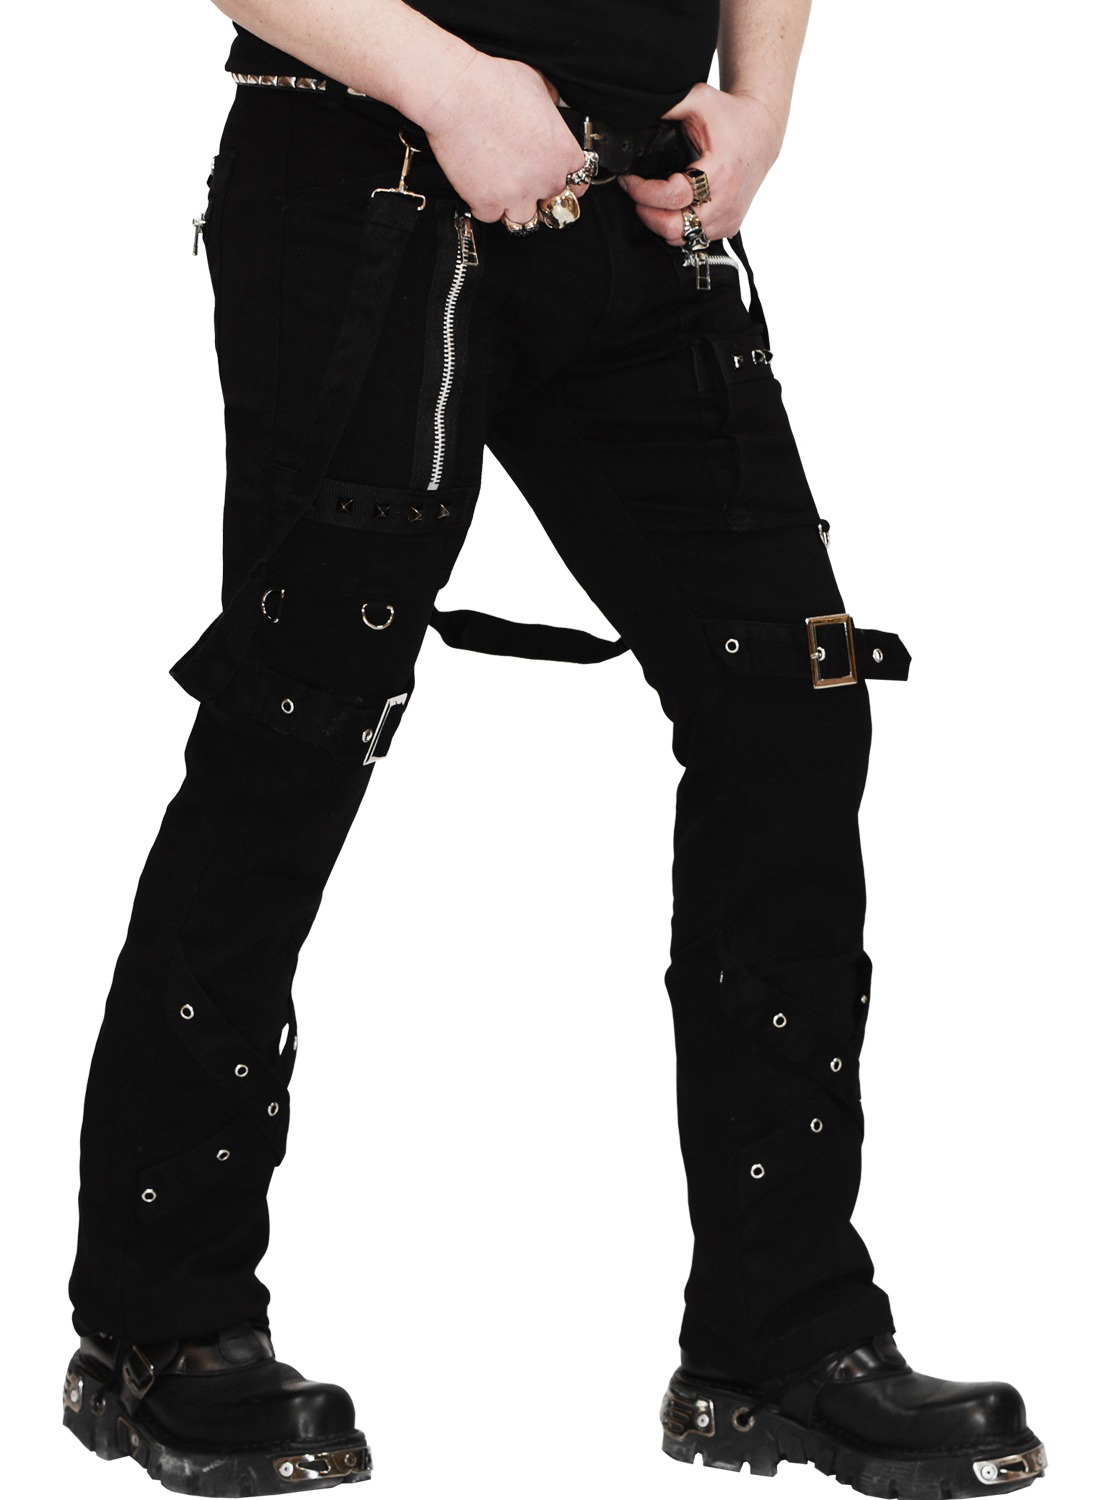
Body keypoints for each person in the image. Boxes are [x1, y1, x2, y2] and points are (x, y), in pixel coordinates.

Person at [61, 2, 1046, 1496]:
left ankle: (784, 1331)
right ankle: (159, 1326)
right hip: (374, 165)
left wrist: (758, 105)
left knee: (788, 701)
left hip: (636, 203)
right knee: (299, 725)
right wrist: (451, 86)